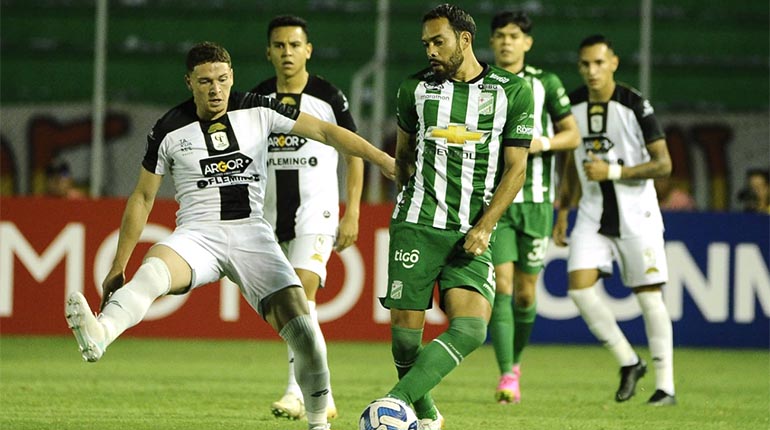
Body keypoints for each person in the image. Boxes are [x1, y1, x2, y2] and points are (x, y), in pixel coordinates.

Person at [63, 41, 395, 430]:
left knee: (305, 333)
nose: (215, 89)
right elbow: (142, 197)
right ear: (189, 82)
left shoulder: (259, 109)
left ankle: (318, 424)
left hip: (252, 235)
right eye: (205, 81)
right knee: (153, 271)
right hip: (198, 235)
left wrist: (384, 160)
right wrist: (119, 264)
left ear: (232, 76)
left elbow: (325, 130)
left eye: (222, 79)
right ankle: (100, 333)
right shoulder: (168, 129)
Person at [363, 4, 533, 428]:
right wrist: (410, 207)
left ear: (465, 39)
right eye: (426, 44)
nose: (430, 51)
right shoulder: (414, 89)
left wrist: (486, 225)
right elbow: (404, 158)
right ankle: (427, 416)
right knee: (405, 341)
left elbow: (516, 169)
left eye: (438, 42)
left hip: (471, 231)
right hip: (417, 225)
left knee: (472, 329)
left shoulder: (512, 91)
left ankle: (392, 404)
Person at [552, 34, 677, 406]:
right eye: (585, 64)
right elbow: (572, 163)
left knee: (649, 298)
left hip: (637, 213)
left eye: (599, 63)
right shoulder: (571, 105)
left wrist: (615, 171)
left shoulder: (634, 104)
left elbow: (664, 164)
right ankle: (629, 360)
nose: (592, 71)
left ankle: (666, 386)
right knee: (578, 289)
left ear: (614, 63)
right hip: (592, 212)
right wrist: (563, 211)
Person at [250, 15, 364, 421]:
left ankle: (296, 392)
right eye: (280, 45)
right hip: (269, 217)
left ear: (308, 50)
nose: (287, 52)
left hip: (317, 212)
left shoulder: (328, 97)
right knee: (290, 305)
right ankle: (323, 394)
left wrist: (352, 212)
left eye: (295, 45)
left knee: (302, 293)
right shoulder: (256, 99)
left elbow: (354, 152)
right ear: (269, 52)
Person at [486, 10, 581, 404]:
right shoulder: (481, 83)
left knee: (526, 294)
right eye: (500, 35)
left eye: (514, 36)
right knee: (502, 286)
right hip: (496, 203)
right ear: (491, 42)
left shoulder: (546, 83)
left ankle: (516, 362)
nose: (506, 42)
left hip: (537, 203)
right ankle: (507, 374)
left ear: (527, 42)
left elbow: (572, 135)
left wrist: (543, 143)